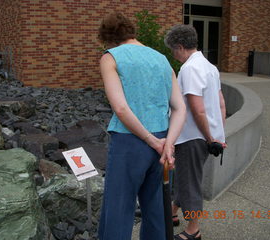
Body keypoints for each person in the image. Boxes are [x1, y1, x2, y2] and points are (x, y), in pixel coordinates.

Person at [97, 13, 186, 240]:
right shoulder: (162, 59)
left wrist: (150, 140)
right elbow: (179, 108)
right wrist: (168, 144)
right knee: (157, 209)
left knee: (119, 209)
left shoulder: (111, 57)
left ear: (109, 37)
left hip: (130, 142)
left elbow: (121, 109)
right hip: (162, 142)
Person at [164, 24, 227, 240]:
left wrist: (210, 138)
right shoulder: (210, 67)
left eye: (173, 50)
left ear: (180, 47)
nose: (174, 55)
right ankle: (172, 212)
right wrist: (218, 135)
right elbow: (220, 103)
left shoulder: (189, 69)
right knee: (186, 177)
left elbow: (197, 108)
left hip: (193, 136)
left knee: (190, 182)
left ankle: (193, 229)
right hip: (206, 135)